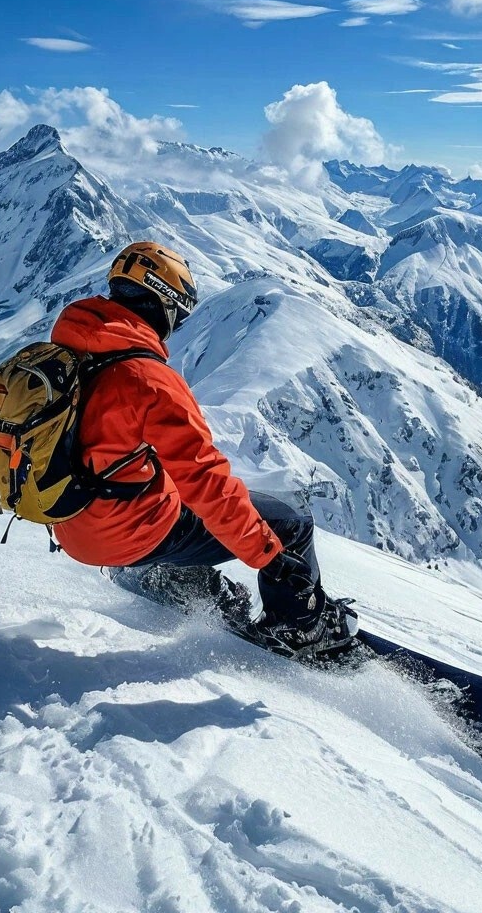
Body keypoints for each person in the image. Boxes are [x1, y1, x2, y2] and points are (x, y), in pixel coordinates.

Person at [49, 240, 356, 657]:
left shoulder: (71, 351)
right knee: (290, 521)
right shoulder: (149, 380)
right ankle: (301, 627)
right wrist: (270, 557)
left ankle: (177, 579)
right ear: (163, 304)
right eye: (177, 313)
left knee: (171, 492)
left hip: (73, 527)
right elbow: (207, 483)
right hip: (125, 536)